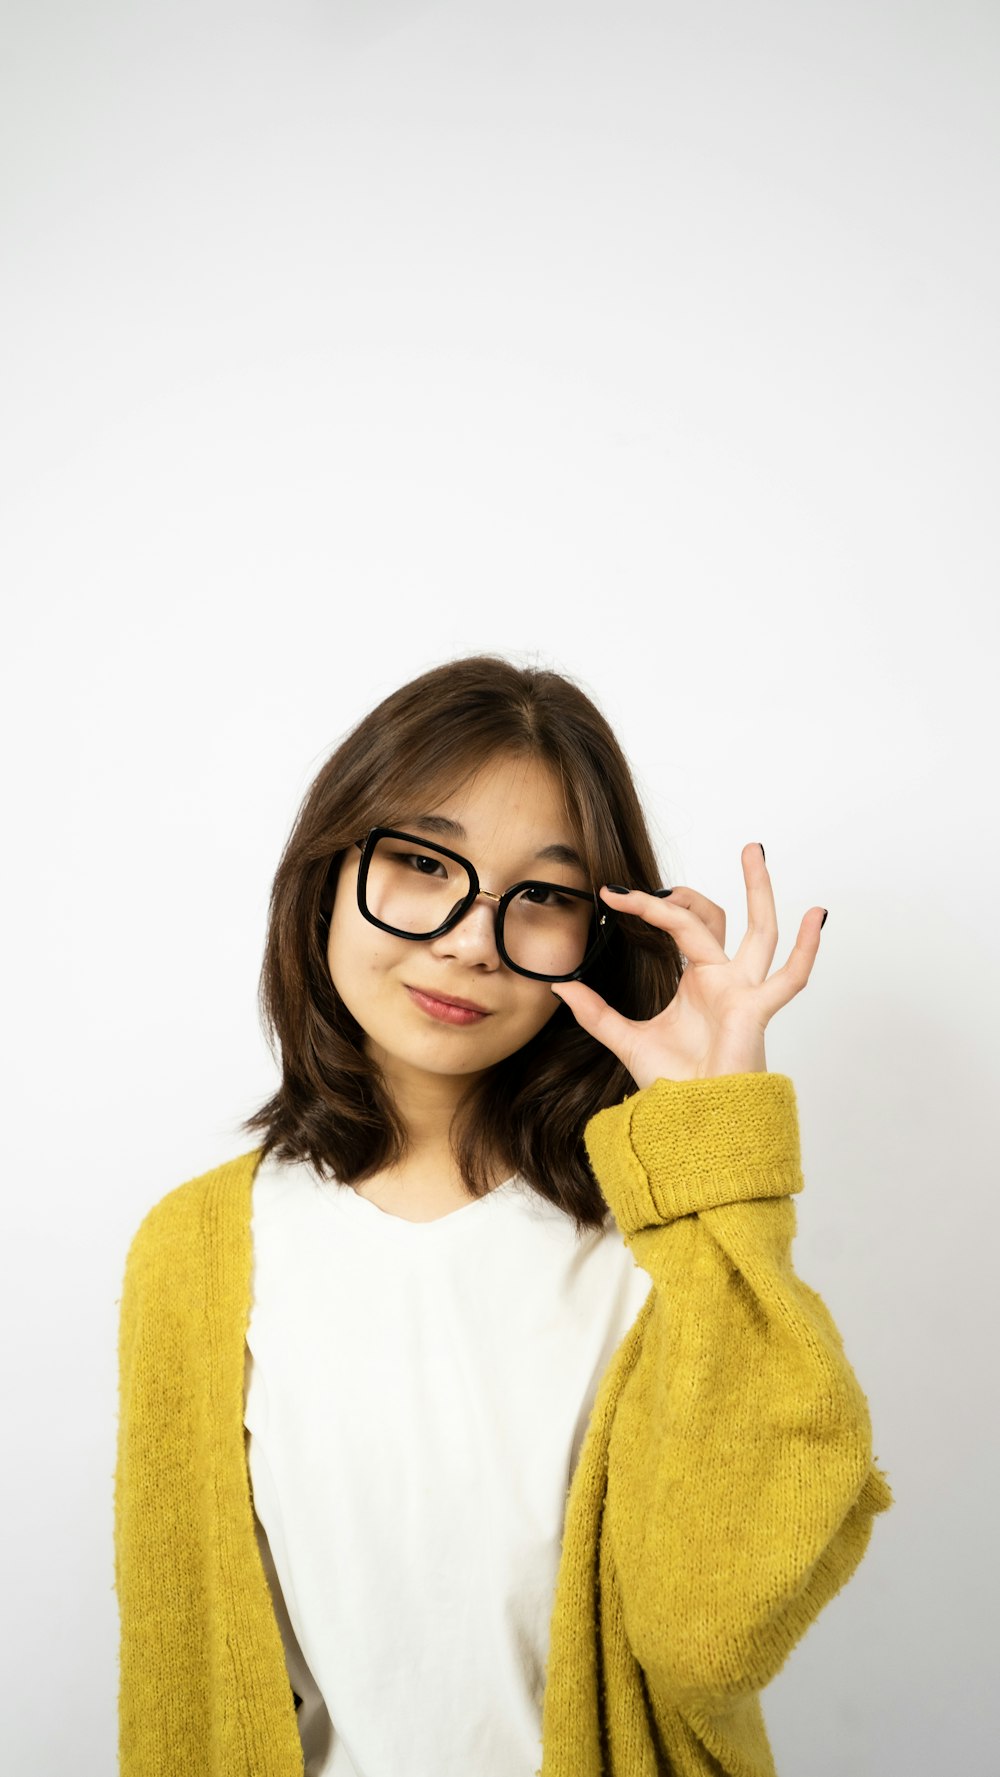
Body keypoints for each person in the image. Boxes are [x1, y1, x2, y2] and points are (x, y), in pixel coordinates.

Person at [113, 654, 894, 1777]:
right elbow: (179, 1687)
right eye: (425, 864)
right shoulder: (195, 1249)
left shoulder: (656, 1232)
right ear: (328, 874)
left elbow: (710, 1636)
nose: (473, 938)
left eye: (542, 896)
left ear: (595, 932)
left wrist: (712, 1153)